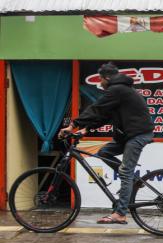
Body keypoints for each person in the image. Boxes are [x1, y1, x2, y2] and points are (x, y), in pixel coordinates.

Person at [59, 62, 154, 224]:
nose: (99, 82)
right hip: (128, 135)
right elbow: (105, 116)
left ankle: (120, 213)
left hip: (137, 135)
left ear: (107, 78)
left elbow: (97, 109)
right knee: (104, 152)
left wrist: (73, 125)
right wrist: (86, 129)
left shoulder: (118, 90)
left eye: (100, 79)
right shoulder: (121, 90)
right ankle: (133, 180)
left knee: (125, 171)